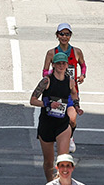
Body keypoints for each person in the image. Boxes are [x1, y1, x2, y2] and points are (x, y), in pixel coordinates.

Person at [32, 52, 82, 182]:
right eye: (58, 63)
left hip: (62, 124)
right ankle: (50, 182)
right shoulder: (46, 81)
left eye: (63, 63)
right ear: (53, 65)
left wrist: (76, 106)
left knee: (62, 160)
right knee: (49, 162)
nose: (61, 65)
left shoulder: (70, 82)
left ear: (67, 65)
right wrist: (47, 103)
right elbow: (32, 100)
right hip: (47, 124)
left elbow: (74, 94)